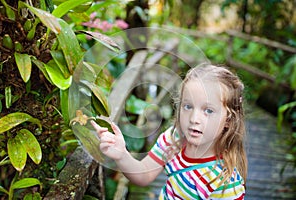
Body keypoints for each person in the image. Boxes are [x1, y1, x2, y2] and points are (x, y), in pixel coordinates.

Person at [91, 64, 247, 199]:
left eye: (208, 110)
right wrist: (122, 155)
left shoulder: (225, 184)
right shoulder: (173, 140)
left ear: (228, 120)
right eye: (188, 106)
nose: (194, 118)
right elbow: (144, 175)